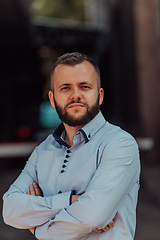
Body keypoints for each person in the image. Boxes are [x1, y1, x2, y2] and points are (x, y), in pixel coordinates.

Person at [3, 52, 140, 240]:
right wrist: (72, 201)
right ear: (52, 99)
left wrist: (38, 228)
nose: (76, 95)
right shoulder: (42, 152)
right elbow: (10, 210)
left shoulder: (120, 144)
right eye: (65, 88)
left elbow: (91, 217)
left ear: (99, 95)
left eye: (84, 86)